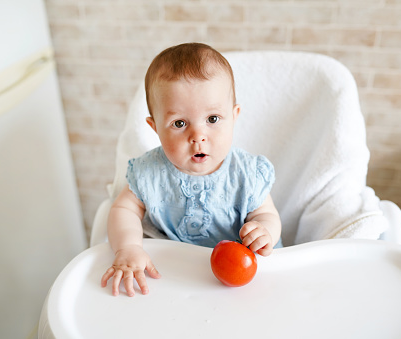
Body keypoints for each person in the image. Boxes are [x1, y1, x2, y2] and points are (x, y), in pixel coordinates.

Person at [101, 42, 282, 297]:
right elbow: (124, 209)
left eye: (212, 119)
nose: (198, 136)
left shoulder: (247, 173)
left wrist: (264, 232)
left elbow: (267, 215)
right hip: (175, 279)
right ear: (155, 128)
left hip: (241, 281)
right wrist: (128, 247)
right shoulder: (149, 174)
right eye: (179, 123)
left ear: (234, 115)